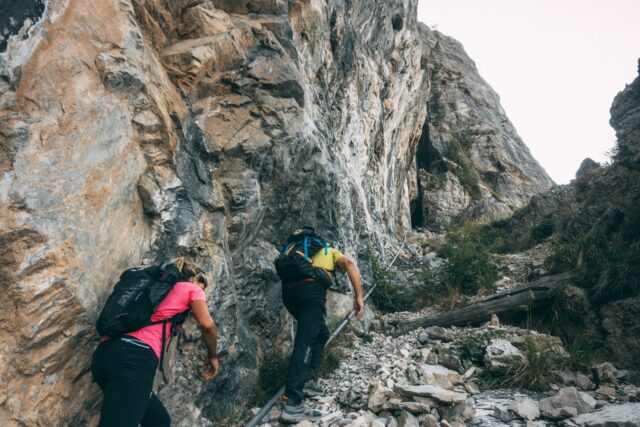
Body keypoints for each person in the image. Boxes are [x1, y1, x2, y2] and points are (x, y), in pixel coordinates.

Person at [91, 259, 219, 427]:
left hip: (105, 355)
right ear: (195, 279)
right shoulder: (191, 288)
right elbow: (207, 325)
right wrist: (213, 357)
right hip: (135, 358)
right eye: (203, 288)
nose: (203, 296)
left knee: (159, 421)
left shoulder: (154, 286)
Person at [278, 228, 364, 424]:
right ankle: (292, 403)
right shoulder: (328, 251)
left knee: (320, 333)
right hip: (311, 292)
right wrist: (359, 297)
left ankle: (306, 379)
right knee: (306, 341)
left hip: (289, 294)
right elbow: (349, 264)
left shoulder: (293, 251)